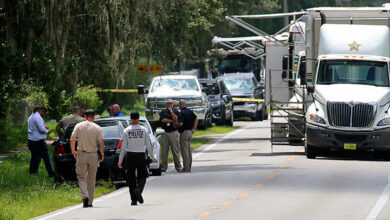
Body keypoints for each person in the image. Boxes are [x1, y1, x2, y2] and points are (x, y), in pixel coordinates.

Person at [118, 111, 157, 206]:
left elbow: (123, 147)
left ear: (130, 119)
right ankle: (138, 190)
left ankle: (133, 200)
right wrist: (152, 157)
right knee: (142, 176)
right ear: (138, 118)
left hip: (130, 156)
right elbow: (148, 145)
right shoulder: (144, 130)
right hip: (141, 155)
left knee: (131, 178)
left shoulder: (126, 130)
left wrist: (120, 160)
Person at [70, 109, 104, 208]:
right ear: (93, 117)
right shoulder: (97, 128)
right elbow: (101, 142)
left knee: (81, 177)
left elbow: (72, 138)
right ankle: (90, 202)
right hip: (93, 155)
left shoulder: (78, 126)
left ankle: (85, 196)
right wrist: (102, 154)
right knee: (91, 178)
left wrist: (73, 151)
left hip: (81, 154)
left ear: (85, 117)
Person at [27, 106, 55, 177]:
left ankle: (32, 173)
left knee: (34, 158)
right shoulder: (38, 117)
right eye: (44, 113)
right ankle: (51, 174)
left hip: (31, 140)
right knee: (46, 158)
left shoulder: (31, 117)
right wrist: (48, 131)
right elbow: (42, 130)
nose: (44, 114)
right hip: (39, 142)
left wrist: (44, 126)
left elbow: (35, 127)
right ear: (41, 111)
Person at [159, 99, 182, 172]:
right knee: (164, 150)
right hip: (165, 132)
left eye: (171, 104)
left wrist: (171, 112)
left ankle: (178, 166)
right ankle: (164, 166)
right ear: (166, 104)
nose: (169, 105)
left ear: (173, 104)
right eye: (168, 104)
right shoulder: (163, 112)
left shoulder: (176, 111)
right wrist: (172, 121)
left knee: (175, 150)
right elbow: (163, 120)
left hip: (173, 132)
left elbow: (177, 119)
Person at [178, 100, 198, 173]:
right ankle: (189, 167)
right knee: (189, 150)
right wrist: (194, 128)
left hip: (184, 132)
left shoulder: (181, 113)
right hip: (190, 132)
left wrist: (176, 124)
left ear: (180, 105)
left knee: (184, 151)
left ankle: (186, 168)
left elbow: (181, 124)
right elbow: (196, 119)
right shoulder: (190, 111)